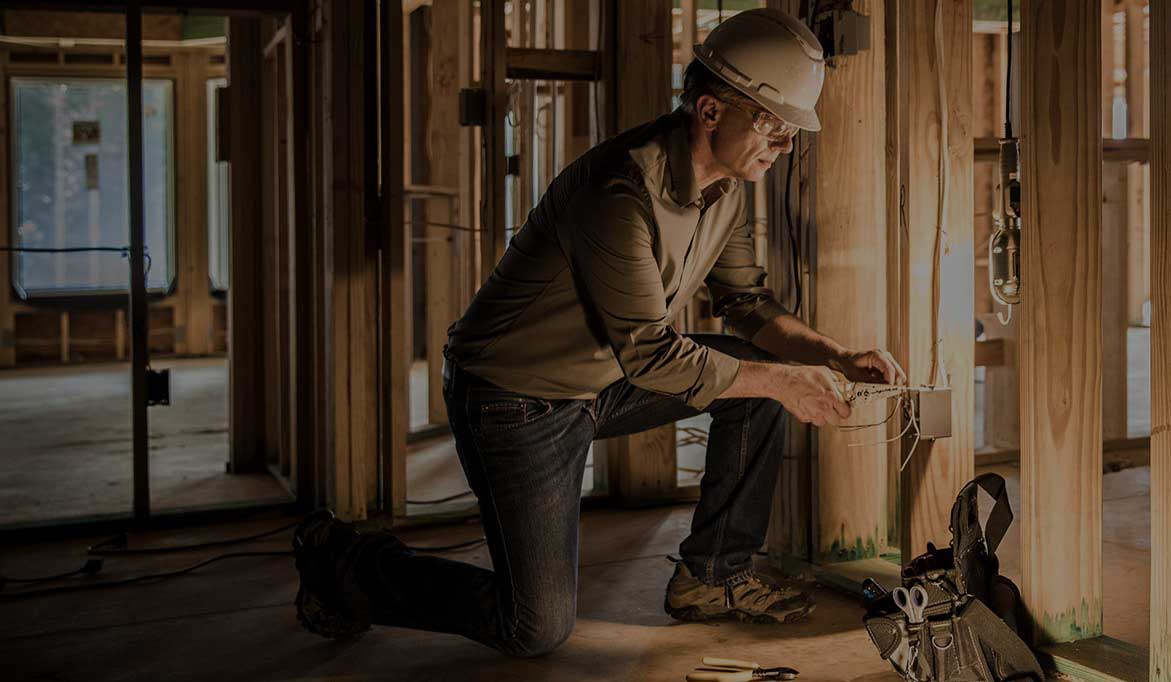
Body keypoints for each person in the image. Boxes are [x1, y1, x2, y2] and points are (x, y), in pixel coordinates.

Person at [292, 7, 906, 657]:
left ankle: (712, 578)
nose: (784, 147)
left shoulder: (728, 189)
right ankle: (347, 563)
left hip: (602, 379)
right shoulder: (619, 190)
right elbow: (649, 353)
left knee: (757, 376)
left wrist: (834, 357)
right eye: (773, 126)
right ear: (710, 111)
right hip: (511, 399)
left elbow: (747, 305)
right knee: (533, 626)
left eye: (790, 132)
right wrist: (783, 381)